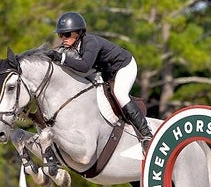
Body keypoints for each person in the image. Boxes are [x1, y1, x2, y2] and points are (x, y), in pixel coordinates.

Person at [45, 11, 153, 151]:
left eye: (67, 34)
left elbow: (84, 66)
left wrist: (61, 58)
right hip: (107, 71)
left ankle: (146, 135)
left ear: (78, 33)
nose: (63, 38)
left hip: (124, 66)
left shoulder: (90, 42)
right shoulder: (72, 46)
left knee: (120, 94)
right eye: (61, 35)